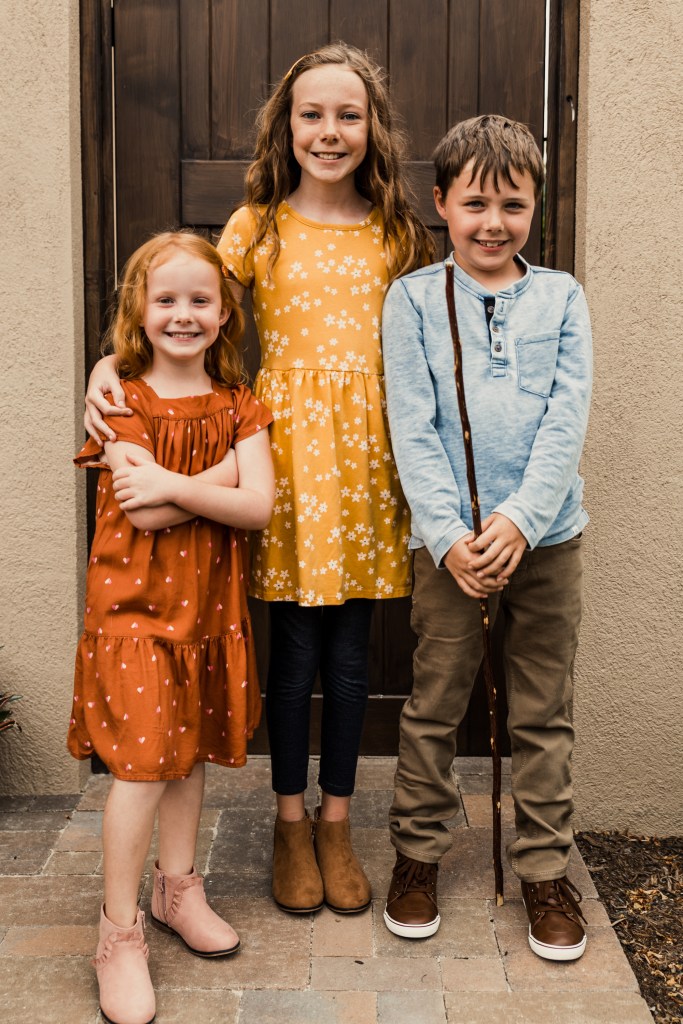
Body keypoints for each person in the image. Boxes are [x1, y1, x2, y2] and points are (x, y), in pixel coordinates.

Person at [82, 43, 435, 918]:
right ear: (286, 126)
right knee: (293, 651)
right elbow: (182, 308)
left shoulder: (395, 233)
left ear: (372, 128)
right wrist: (105, 366)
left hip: (366, 460)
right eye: (311, 114)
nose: (329, 131)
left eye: (348, 115)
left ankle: (336, 823)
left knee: (349, 654)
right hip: (280, 457)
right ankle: (288, 822)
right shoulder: (255, 227)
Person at [381, 114, 593, 961]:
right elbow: (411, 425)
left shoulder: (562, 297)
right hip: (450, 552)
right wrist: (448, 534)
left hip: (548, 541)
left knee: (542, 711)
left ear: (535, 206)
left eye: (512, 204)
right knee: (434, 705)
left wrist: (518, 520)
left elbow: (565, 419)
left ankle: (544, 869)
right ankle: (416, 856)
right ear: (440, 203)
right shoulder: (410, 300)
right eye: (474, 204)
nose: (492, 223)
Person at [69, 231, 274, 1024]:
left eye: (199, 300)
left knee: (187, 754)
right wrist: (222, 475)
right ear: (139, 311)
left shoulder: (238, 403)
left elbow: (258, 507)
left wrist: (180, 479)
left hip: (208, 611)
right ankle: (117, 932)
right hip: (135, 615)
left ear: (223, 314)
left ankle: (177, 889)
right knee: (143, 769)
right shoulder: (120, 399)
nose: (182, 314)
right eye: (166, 300)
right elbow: (144, 510)